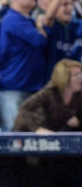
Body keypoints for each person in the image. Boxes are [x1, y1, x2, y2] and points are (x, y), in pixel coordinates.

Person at [13, 59, 82, 133]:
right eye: (77, 75)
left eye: (81, 73)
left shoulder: (78, 93)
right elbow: (25, 108)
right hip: (27, 132)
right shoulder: (50, 92)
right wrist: (38, 129)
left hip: (51, 134)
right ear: (65, 78)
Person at [0, 0, 47, 131]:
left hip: (30, 86)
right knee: (16, 135)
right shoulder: (13, 19)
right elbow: (39, 40)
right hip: (15, 87)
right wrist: (40, 27)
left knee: (32, 135)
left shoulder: (27, 19)